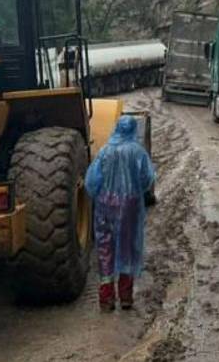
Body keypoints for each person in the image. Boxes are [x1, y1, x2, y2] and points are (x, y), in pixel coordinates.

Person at [85, 115, 156, 311]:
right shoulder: (137, 152)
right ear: (133, 130)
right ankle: (125, 297)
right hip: (130, 205)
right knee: (127, 248)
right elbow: (147, 179)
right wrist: (135, 192)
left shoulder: (104, 151)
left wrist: (102, 196)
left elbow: (91, 182)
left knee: (104, 248)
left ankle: (106, 298)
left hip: (105, 205)